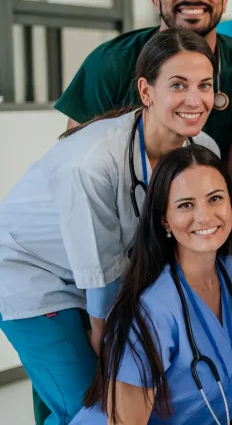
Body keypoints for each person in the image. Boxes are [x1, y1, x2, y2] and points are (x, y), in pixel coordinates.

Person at [0, 29, 220, 425]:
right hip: (30, 270)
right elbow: (99, 272)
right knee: (94, 409)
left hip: (105, 276)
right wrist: (109, 347)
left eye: (204, 85)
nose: (195, 99)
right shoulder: (92, 161)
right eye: (178, 85)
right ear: (146, 90)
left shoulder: (201, 150)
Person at [53, 0, 232, 262]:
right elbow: (72, 172)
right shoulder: (110, 64)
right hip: (90, 245)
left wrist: (224, 265)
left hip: (190, 239)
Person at [72, 145, 232, 424]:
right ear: (164, 220)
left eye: (215, 198)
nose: (204, 216)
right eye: (185, 205)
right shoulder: (152, 311)